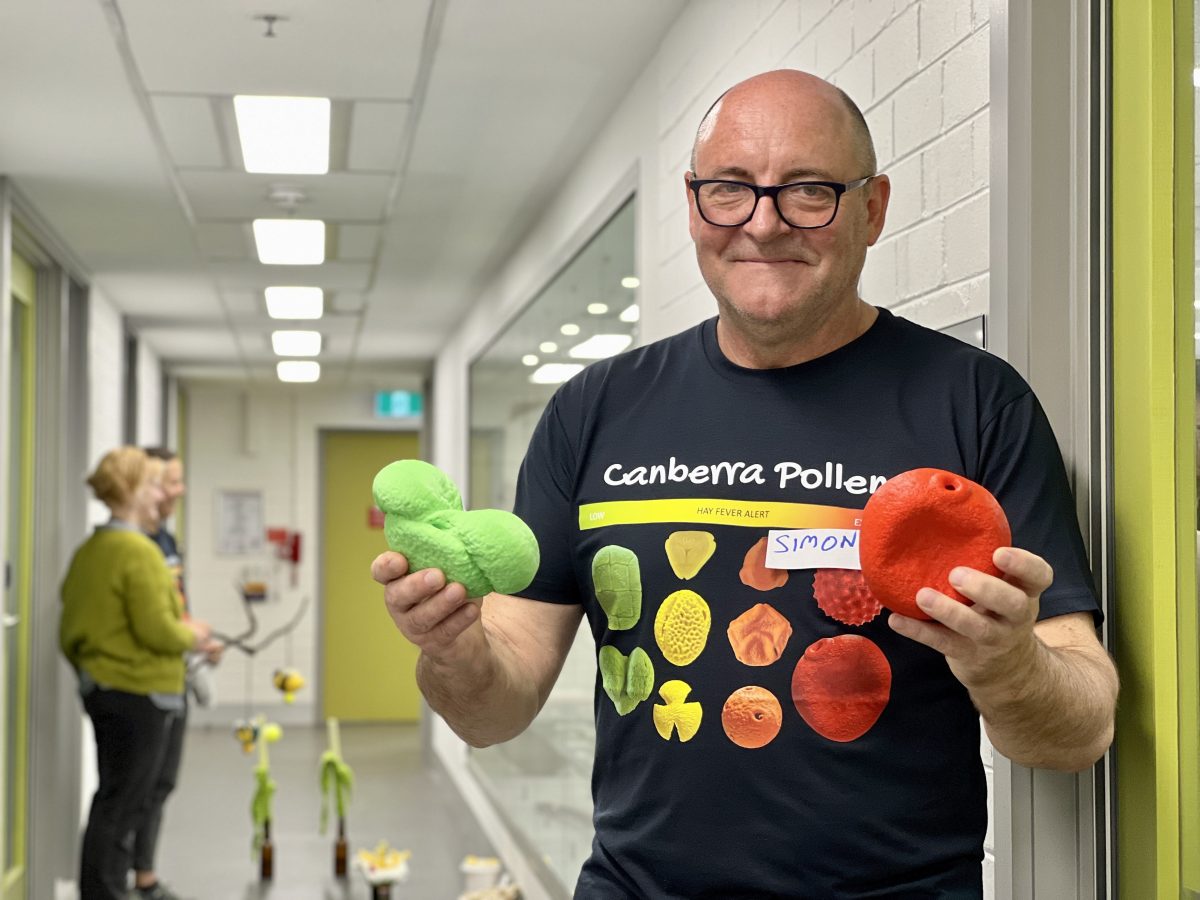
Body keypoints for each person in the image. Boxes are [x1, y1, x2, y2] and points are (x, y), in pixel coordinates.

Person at [371, 70, 1119, 898]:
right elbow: (494, 709)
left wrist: (1009, 665)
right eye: (730, 189)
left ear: (872, 209)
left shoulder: (974, 402)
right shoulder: (597, 409)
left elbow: (1080, 728)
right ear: (694, 204)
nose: (763, 224)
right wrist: (452, 650)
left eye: (808, 191)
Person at [60, 447, 217, 900]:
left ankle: (106, 889)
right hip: (141, 695)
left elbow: (71, 630)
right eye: (152, 485)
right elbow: (159, 631)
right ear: (130, 492)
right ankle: (107, 892)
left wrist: (97, 672)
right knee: (125, 805)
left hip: (106, 691)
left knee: (112, 799)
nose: (160, 496)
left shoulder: (92, 549)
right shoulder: (139, 552)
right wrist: (195, 634)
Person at [126, 447, 219, 900]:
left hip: (174, 670)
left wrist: (198, 640)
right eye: (171, 482)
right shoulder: (133, 545)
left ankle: (144, 875)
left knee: (161, 782)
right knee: (133, 786)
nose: (178, 490)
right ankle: (126, 880)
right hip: (143, 682)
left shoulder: (164, 541)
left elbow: (174, 606)